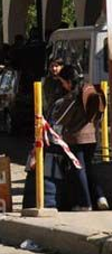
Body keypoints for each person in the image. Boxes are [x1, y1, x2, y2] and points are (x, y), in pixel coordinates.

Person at [51, 65, 108, 210]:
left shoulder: (73, 96)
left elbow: (60, 118)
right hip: (92, 137)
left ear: (69, 81)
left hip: (77, 139)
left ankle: (85, 204)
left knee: (79, 169)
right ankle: (100, 197)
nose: (63, 85)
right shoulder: (90, 90)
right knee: (88, 168)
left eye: (63, 82)